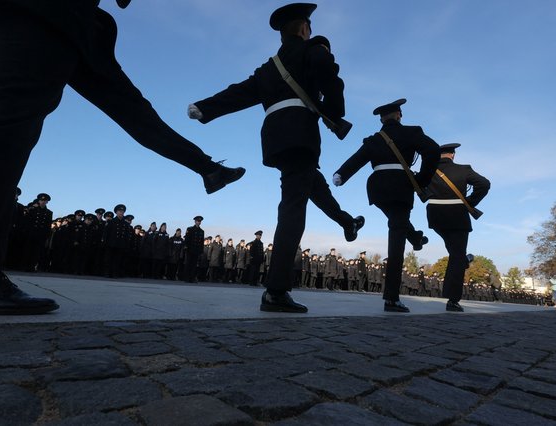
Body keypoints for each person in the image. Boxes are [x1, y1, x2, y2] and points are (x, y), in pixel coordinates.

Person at [0, 0, 246, 316]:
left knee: (139, 117)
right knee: (8, 120)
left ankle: (207, 168)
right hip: (39, 10)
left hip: (77, 24)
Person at [189, 3, 363, 313]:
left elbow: (240, 92)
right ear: (303, 28)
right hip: (300, 132)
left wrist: (206, 108)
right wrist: (335, 114)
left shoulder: (268, 67)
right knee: (293, 207)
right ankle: (276, 290)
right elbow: (331, 78)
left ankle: (346, 221)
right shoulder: (313, 49)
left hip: (274, 136)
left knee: (310, 186)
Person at [334, 98, 440, 312]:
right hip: (400, 186)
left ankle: (416, 237)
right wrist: (422, 179)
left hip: (378, 188)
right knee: (397, 235)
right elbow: (433, 151)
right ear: (399, 115)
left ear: (381, 119)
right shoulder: (411, 132)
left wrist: (341, 174)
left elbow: (358, 159)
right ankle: (391, 298)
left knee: (397, 221)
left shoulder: (374, 139)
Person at [427, 143, 490, 312]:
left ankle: (463, 260)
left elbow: (419, 187)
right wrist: (470, 202)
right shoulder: (464, 169)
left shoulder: (429, 169)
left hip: (435, 216)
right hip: (457, 215)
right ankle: (452, 300)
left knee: (455, 252)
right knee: (457, 255)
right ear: (453, 155)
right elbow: (484, 184)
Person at [183, 216, 205, 283]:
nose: (199, 222)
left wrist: (201, 250)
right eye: (198, 221)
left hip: (196, 250)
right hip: (190, 249)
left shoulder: (201, 231)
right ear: (195, 221)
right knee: (188, 264)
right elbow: (187, 239)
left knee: (194, 265)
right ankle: (187, 278)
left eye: (200, 221)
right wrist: (186, 247)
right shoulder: (190, 229)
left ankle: (192, 278)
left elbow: (201, 242)